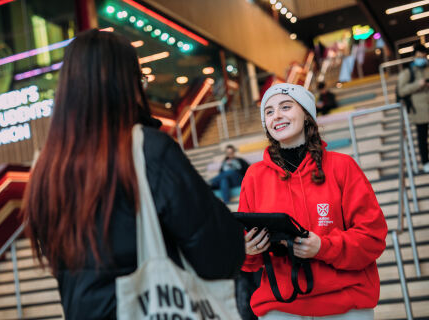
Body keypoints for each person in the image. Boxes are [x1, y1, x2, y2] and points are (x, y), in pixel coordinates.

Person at [21, 29, 245, 320]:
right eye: (141, 80)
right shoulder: (147, 150)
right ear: (125, 85)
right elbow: (219, 254)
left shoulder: (46, 169)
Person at [239, 83, 387, 319]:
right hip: (280, 306)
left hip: (344, 303)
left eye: (285, 107)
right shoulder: (255, 176)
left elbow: (372, 237)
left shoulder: (342, 166)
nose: (276, 115)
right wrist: (247, 249)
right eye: (268, 111)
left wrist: (323, 247)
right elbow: (248, 260)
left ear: (307, 115)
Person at [397, 43, 429, 172]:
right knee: (422, 138)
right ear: (414, 56)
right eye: (419, 56)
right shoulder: (407, 72)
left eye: (423, 56)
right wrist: (418, 84)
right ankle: (425, 162)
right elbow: (401, 91)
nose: (421, 58)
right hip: (418, 110)